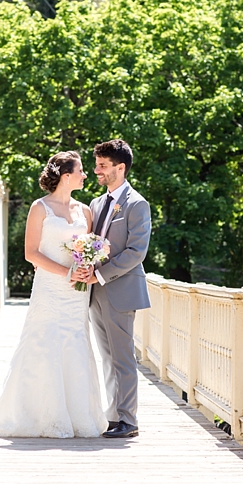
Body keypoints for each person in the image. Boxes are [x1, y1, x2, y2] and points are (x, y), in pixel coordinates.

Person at [0, 151, 107, 438]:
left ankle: (79, 416)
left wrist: (86, 269)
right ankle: (43, 415)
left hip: (77, 292)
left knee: (76, 344)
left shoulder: (85, 211)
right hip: (49, 290)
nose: (85, 175)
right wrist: (65, 273)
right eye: (80, 171)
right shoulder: (40, 208)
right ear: (66, 176)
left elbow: (87, 249)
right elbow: (31, 254)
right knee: (44, 344)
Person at [74, 139, 151, 439]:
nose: (97, 171)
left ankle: (129, 421)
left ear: (121, 168)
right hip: (95, 293)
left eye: (103, 166)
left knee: (122, 357)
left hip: (120, 290)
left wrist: (101, 275)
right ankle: (113, 416)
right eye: (96, 165)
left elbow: (136, 252)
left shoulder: (137, 204)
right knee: (107, 358)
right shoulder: (96, 203)